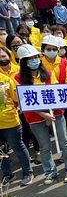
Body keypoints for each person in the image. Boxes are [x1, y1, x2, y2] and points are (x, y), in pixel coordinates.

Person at [16, 44, 67, 184]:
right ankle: (50, 172)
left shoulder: (48, 74)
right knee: (44, 147)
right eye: (30, 58)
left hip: (56, 114)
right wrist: (44, 115)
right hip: (35, 118)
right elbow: (24, 101)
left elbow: (56, 94)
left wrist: (51, 115)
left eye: (36, 57)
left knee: (64, 142)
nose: (34, 60)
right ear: (23, 62)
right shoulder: (18, 78)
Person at [40, 35, 67, 160]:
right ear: (43, 50)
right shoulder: (40, 64)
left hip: (65, 98)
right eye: (48, 48)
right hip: (48, 100)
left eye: (54, 49)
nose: (51, 51)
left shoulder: (65, 63)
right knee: (57, 129)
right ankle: (65, 151)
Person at [0, 46, 33, 186]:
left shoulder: (5, 80)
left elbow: (16, 99)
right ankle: (8, 175)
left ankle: (28, 172)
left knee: (18, 147)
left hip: (10, 122)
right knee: (2, 151)